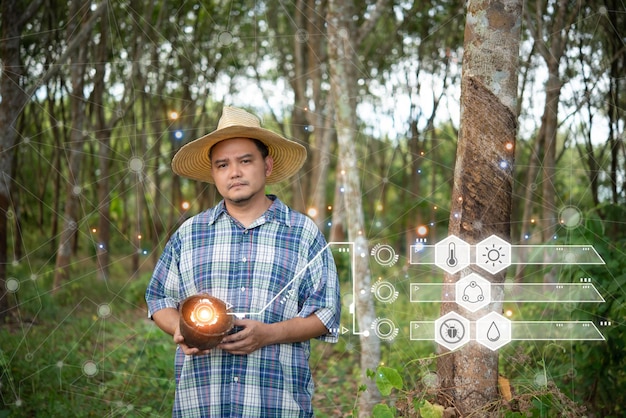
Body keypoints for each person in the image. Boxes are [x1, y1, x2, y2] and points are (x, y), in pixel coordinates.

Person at [145, 106, 341, 417]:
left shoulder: (303, 234)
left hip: (276, 404)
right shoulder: (190, 234)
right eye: (222, 164)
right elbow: (158, 298)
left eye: (245, 160)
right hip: (201, 403)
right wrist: (180, 329)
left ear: (267, 165)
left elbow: (326, 314)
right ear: (214, 173)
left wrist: (269, 334)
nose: (234, 172)